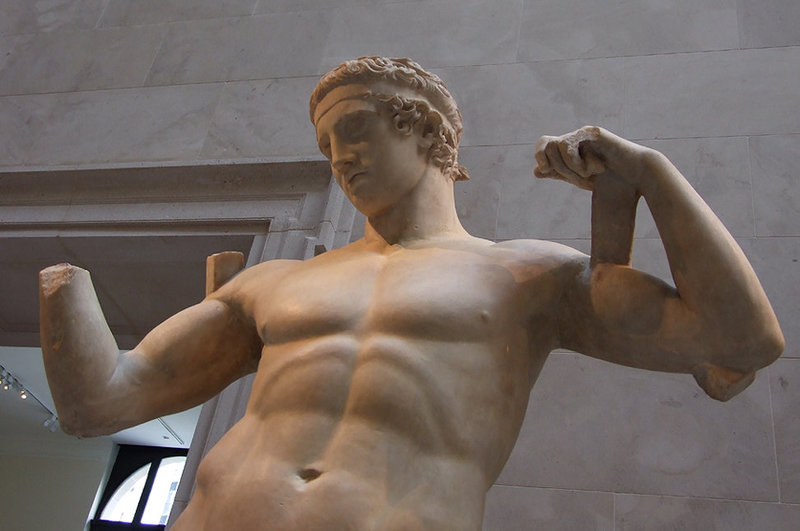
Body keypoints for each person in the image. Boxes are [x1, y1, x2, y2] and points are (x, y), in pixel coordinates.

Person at [39, 57, 784, 530]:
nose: (338, 158)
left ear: (426, 132)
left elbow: (739, 340)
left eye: (354, 130)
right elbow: (103, 401)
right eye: (327, 146)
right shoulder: (277, 283)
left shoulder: (529, 276)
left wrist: (652, 173)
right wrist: (64, 286)